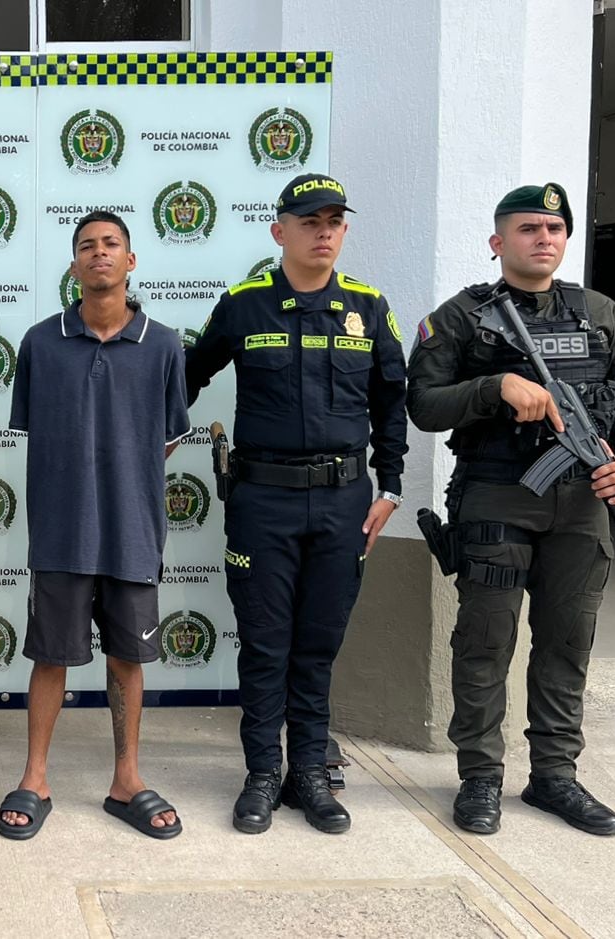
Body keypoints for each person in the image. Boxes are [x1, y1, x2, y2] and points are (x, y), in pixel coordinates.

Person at [405, 183, 615, 837]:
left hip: (583, 503)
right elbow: (423, 404)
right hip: (498, 495)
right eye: (527, 228)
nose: (543, 238)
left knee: (567, 642)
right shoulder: (461, 318)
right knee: (485, 642)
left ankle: (554, 777)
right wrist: (494, 387)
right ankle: (480, 778)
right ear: (498, 242)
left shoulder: (602, 314)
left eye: (554, 228)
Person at [185, 173, 408, 835]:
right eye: (310, 221)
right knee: (264, 644)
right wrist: (153, 432)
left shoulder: (369, 307)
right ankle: (262, 771)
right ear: (279, 230)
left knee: (317, 644)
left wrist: (391, 487)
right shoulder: (244, 304)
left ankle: (308, 771)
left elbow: (391, 404)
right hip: (263, 502)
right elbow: (186, 376)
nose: (323, 233)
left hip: (344, 504)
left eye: (334, 221)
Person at [0, 211, 189, 841]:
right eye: (87, 245)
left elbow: (167, 435)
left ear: (130, 261)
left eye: (111, 244)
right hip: (61, 533)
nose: (98, 252)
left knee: (128, 658)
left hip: (134, 533)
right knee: (50, 658)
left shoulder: (164, 344)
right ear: (74, 264)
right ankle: (35, 777)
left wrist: (125, 474)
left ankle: (126, 780)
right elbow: (35, 427)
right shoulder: (40, 343)